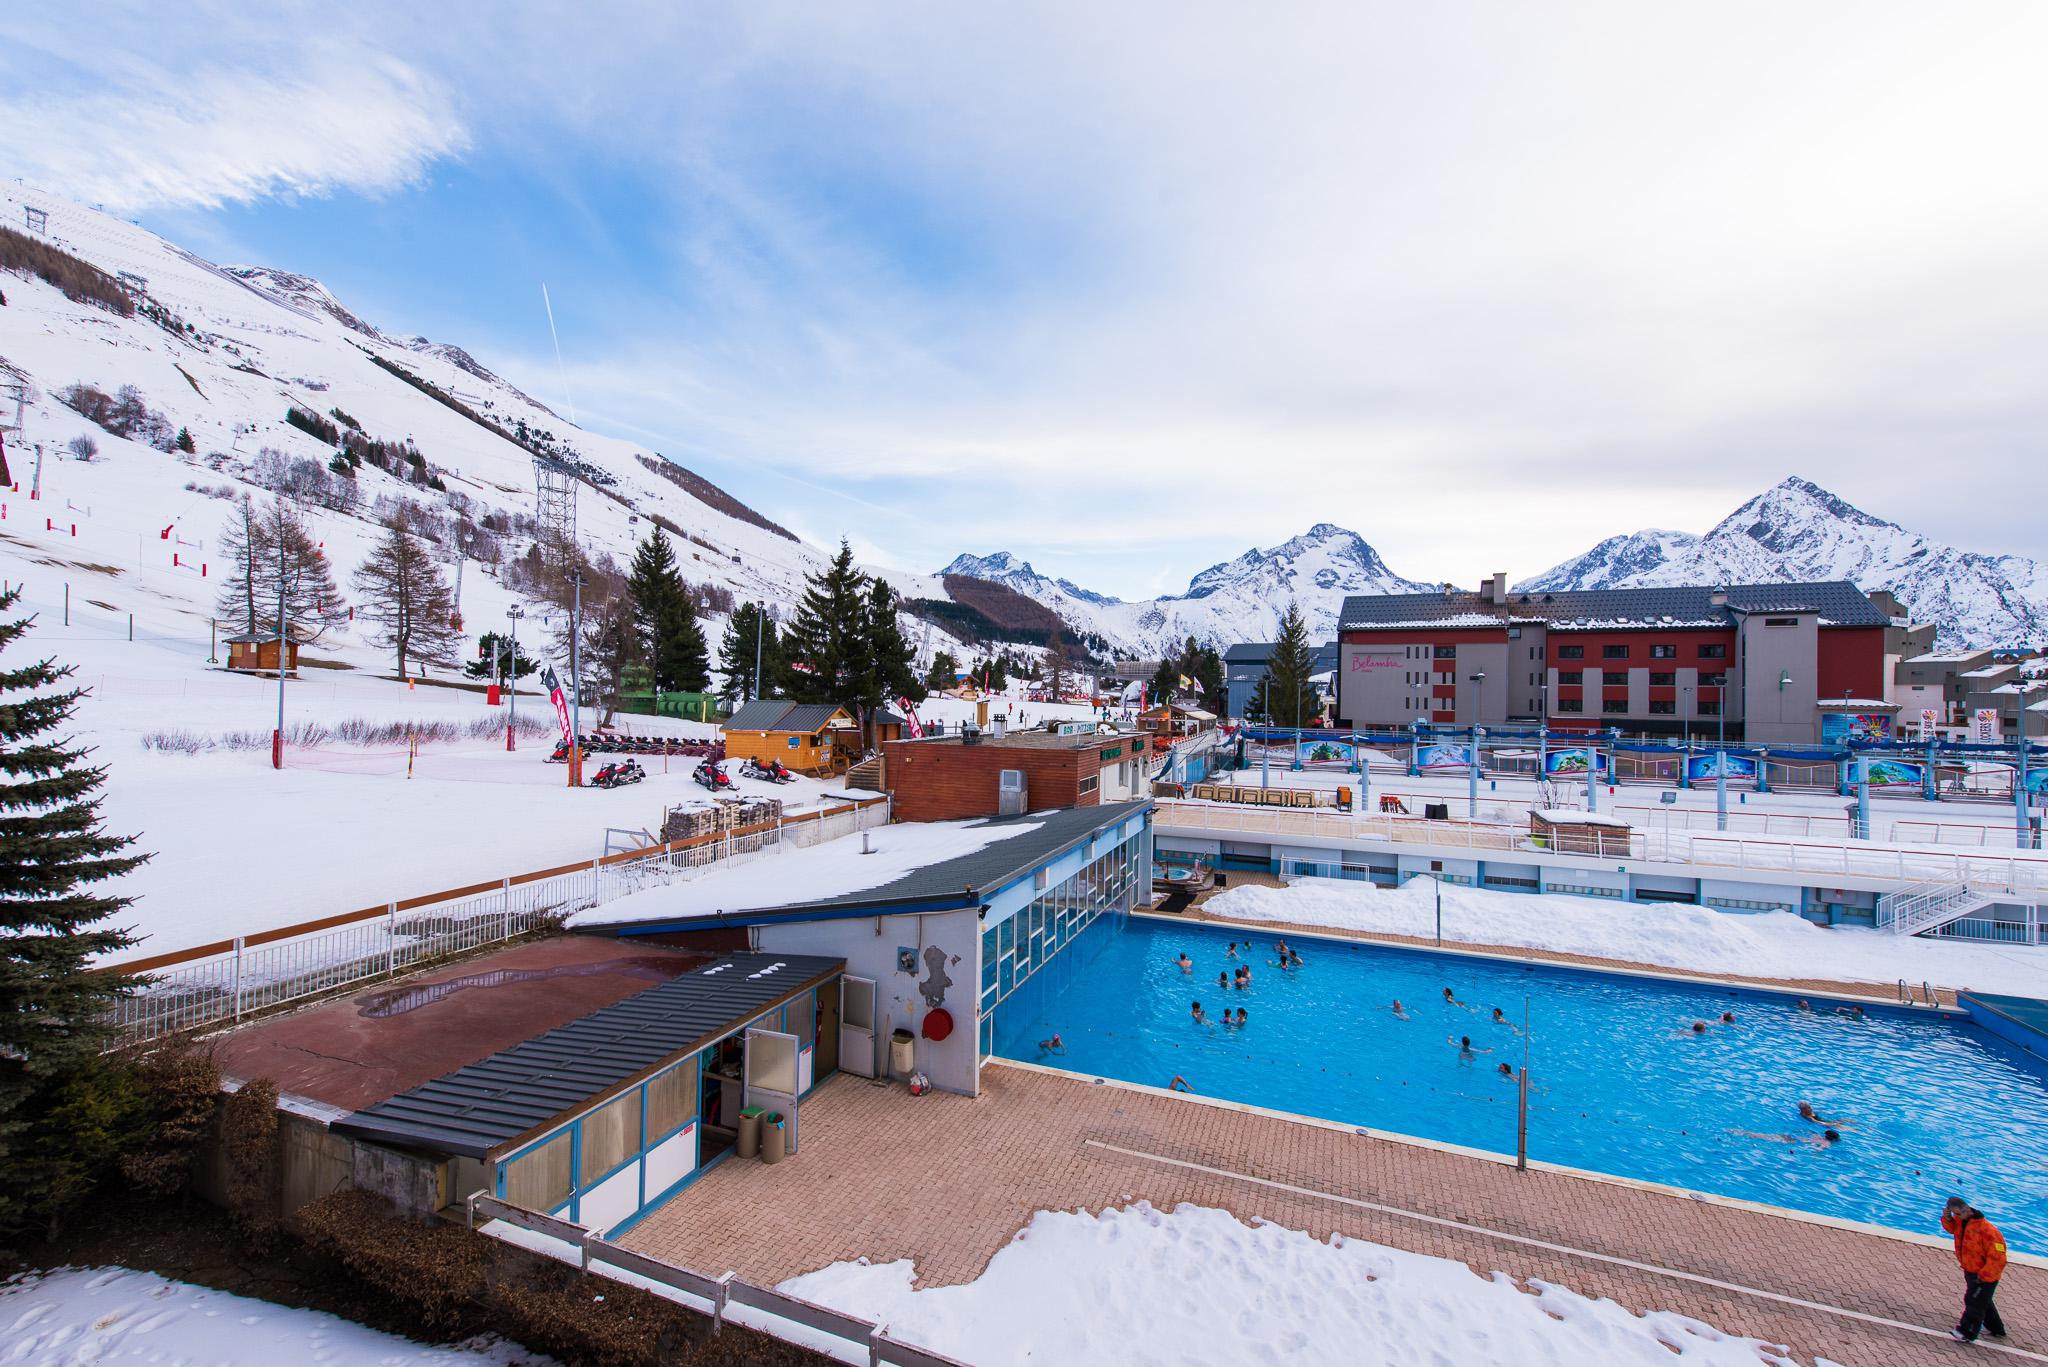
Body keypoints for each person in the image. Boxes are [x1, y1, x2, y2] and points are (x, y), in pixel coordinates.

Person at [1942, 1197, 2009, 1343]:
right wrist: (1948, 1219)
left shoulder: (1989, 1231)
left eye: (1956, 1214)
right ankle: (1996, 1328)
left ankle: (1967, 1332)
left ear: (1966, 1210)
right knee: (1982, 1300)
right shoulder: (1960, 1221)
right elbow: (1952, 1229)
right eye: (1953, 1214)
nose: (1956, 1217)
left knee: (1973, 1300)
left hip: (1985, 1274)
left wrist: (1984, 1276)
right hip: (1970, 1270)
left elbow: (1998, 1258)